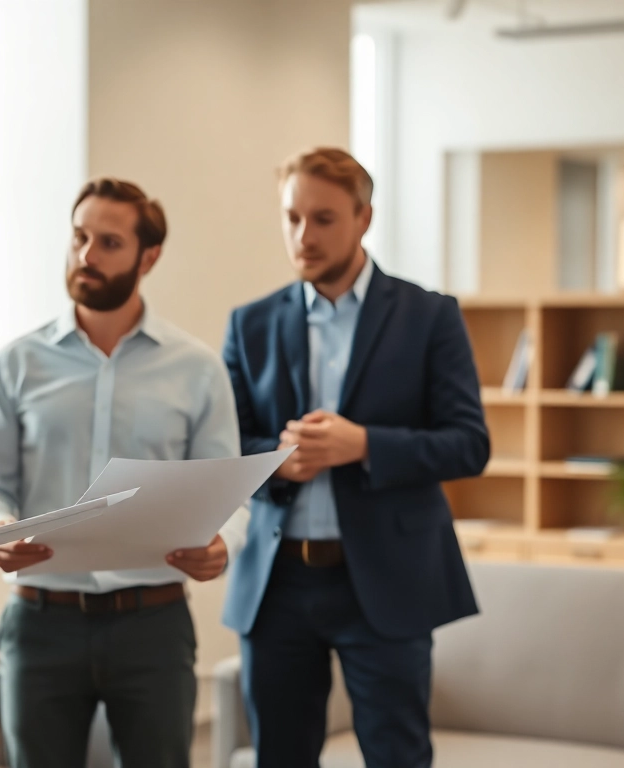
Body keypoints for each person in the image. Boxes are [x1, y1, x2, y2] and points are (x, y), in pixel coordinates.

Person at [0, 177, 249, 768]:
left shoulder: (197, 368)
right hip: (40, 625)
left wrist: (222, 546)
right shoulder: (18, 362)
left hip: (155, 626)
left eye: (109, 242)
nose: (86, 256)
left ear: (150, 257)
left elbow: (228, 495)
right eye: (79, 237)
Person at [221, 147, 488, 768]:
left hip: (388, 578)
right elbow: (225, 447)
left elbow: (470, 443)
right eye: (291, 218)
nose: (302, 236)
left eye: (323, 219)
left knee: (397, 756)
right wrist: (275, 461)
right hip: (277, 582)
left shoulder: (429, 316)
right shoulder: (249, 325)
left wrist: (364, 444)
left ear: (364, 217)